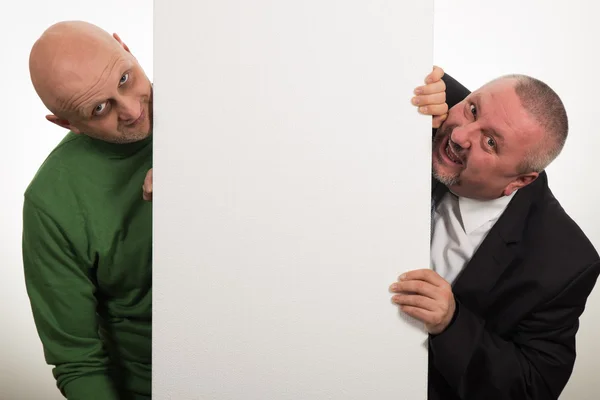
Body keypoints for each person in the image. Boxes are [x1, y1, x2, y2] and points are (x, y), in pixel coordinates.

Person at [392, 69, 600, 399]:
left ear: (519, 182)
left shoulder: (566, 263)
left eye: (490, 143)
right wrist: (409, 98)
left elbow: (533, 387)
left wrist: (451, 322)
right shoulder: (442, 100)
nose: (460, 135)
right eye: (473, 109)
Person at [24, 21, 153, 399]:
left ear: (125, 47)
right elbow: (78, 362)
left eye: (126, 79)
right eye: (99, 108)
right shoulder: (50, 202)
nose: (130, 110)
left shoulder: (218, 105)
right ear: (67, 124)